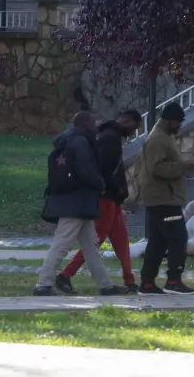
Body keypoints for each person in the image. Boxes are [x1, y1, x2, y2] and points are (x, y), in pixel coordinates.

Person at [34, 111, 130, 296]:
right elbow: (87, 171)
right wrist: (101, 184)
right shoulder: (81, 142)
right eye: (93, 123)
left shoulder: (68, 141)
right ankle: (43, 284)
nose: (96, 126)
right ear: (86, 124)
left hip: (75, 201)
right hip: (77, 202)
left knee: (91, 246)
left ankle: (105, 285)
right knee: (62, 244)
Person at [56, 109, 142, 294]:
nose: (134, 131)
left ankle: (129, 280)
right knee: (96, 240)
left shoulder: (108, 135)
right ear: (127, 121)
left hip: (112, 197)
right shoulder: (111, 137)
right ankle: (65, 275)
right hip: (107, 197)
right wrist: (113, 189)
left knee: (121, 240)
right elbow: (105, 169)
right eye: (135, 126)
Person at [134, 102, 194, 295]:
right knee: (178, 238)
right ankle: (173, 280)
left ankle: (147, 284)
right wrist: (184, 166)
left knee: (158, 242)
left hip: (161, 197)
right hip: (164, 199)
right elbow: (157, 168)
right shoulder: (157, 140)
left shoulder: (163, 137)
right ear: (169, 121)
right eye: (178, 122)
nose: (179, 126)